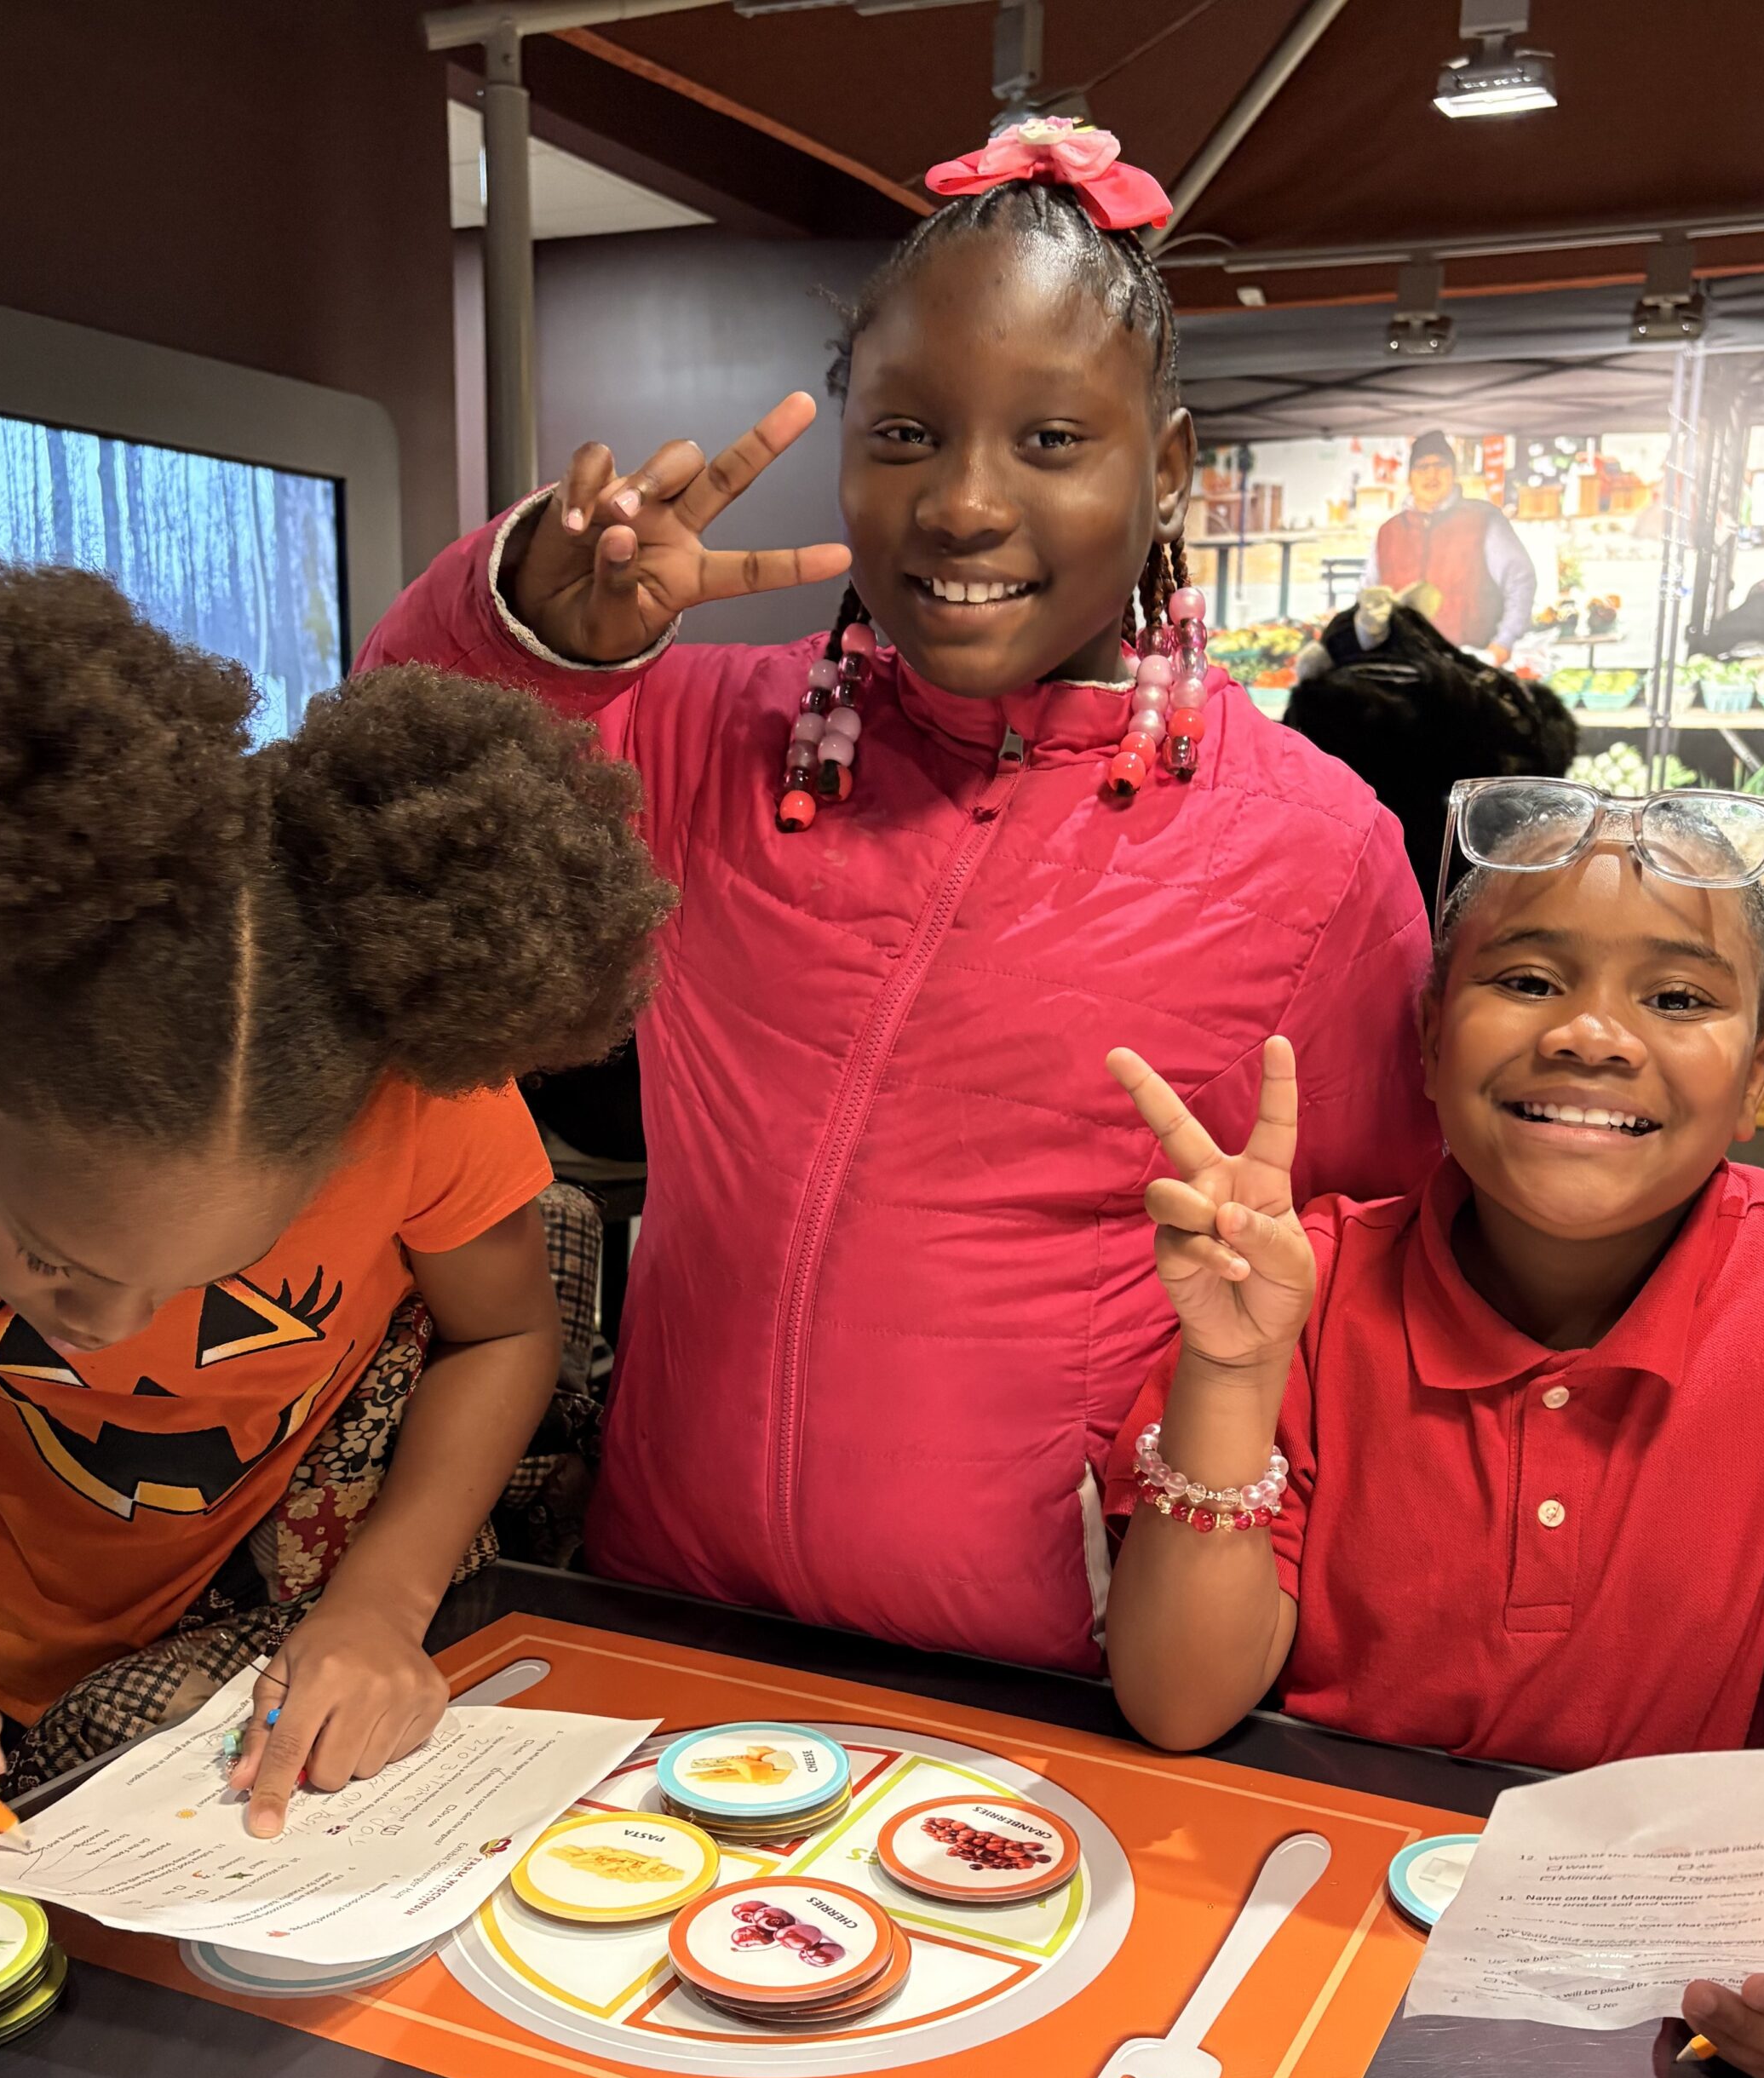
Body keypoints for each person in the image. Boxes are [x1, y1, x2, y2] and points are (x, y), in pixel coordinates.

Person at [361, 120, 1440, 1676]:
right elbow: (400, 774)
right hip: (672, 1608)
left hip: (1059, 1674)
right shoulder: (695, 730)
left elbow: (1362, 1268)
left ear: (1171, 470)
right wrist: (540, 623)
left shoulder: (1314, 849)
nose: (961, 505)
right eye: (908, 435)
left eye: (1053, 443)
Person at [1103, 776, 1764, 2078]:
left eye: (1680, 998)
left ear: (1760, 1074)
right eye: (1527, 980)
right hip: (1292, 1940)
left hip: (1659, 1996)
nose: (1594, 1036)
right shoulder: (1305, 1282)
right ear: (1428, 1043)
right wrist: (1232, 1371)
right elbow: (1180, 1706)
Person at [0, 562, 672, 1844]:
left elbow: (503, 1332)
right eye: (53, 1262)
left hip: (332, 1617)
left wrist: (383, 1605)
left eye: (204, 1276)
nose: (107, 1332)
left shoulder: (410, 1101)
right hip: (18, 1645)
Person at [1365, 432, 1535, 662]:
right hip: (1404, 665)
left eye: (1440, 465)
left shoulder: (1483, 520)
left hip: (1468, 664)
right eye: (1422, 467)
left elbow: (1520, 579)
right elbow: (1368, 596)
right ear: (1410, 478)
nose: (1431, 474)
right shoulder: (1388, 532)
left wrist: (1503, 642)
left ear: (1453, 473)